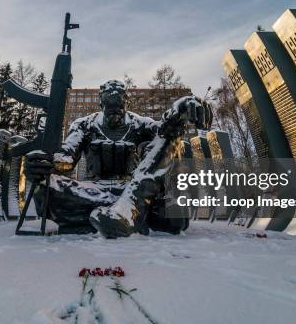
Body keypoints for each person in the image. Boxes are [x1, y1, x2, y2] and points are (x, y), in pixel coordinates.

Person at [26, 79, 211, 238]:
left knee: (169, 142)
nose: (115, 112)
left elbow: (165, 135)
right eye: (109, 107)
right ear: (101, 104)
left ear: (126, 103)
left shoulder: (139, 123)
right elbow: (66, 158)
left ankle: (123, 210)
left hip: (131, 188)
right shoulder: (84, 125)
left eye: (119, 107)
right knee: (42, 189)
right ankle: (129, 216)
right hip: (93, 190)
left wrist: (178, 115)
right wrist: (45, 164)